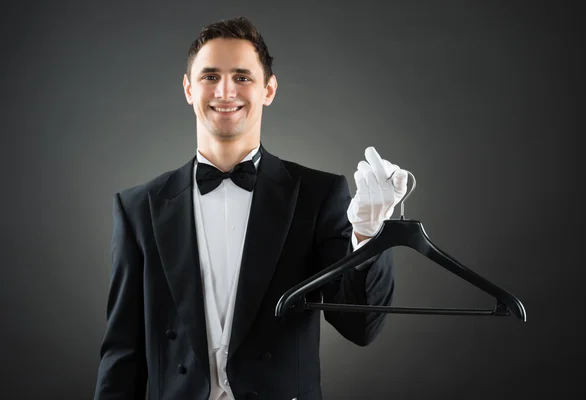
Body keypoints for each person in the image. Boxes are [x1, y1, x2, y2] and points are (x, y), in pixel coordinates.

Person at [94, 16, 408, 400]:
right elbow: (123, 352)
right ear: (188, 89)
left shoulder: (318, 194)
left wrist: (370, 235)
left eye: (242, 77)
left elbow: (360, 328)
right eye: (210, 76)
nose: (226, 91)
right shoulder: (137, 207)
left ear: (268, 90)